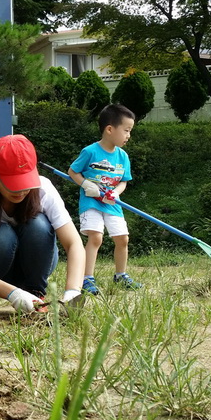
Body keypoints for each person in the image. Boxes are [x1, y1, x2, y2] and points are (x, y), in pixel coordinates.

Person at [0, 134, 84, 316]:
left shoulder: (44, 190)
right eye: (13, 183)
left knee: (39, 224)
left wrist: (73, 292)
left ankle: (35, 292)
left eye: (25, 181)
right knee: (0, 234)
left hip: (37, 265)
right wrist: (13, 294)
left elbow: (74, 244)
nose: (21, 190)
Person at [68, 104, 142, 295]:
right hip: (91, 202)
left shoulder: (123, 156)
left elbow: (123, 181)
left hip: (112, 204)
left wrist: (116, 192)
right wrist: (86, 185)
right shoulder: (90, 151)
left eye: (130, 131)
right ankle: (86, 278)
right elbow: (72, 171)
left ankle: (121, 275)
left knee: (123, 239)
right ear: (110, 129)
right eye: (126, 130)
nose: (128, 135)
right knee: (96, 237)